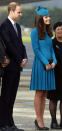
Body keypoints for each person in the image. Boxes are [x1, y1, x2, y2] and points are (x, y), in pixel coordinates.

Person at [0, 2, 27, 131]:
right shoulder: (4, 26)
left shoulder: (17, 26)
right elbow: (9, 45)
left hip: (17, 66)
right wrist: (19, 59)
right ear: (11, 11)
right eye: (19, 12)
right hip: (9, 66)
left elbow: (21, 44)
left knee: (12, 96)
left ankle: (11, 123)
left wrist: (25, 56)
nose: (21, 14)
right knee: (5, 96)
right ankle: (3, 124)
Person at [30, 6, 57, 130]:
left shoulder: (48, 33)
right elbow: (36, 50)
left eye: (49, 16)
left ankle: (40, 118)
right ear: (40, 19)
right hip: (41, 65)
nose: (49, 18)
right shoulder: (35, 32)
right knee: (39, 92)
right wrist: (46, 62)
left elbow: (51, 50)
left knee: (45, 93)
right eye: (46, 17)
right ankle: (39, 120)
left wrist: (54, 61)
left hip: (50, 66)